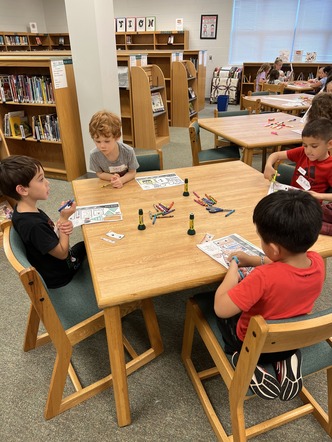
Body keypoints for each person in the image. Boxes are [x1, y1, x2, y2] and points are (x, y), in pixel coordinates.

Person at [214, 190, 324, 401]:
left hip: (254, 343)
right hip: (291, 337)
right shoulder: (317, 261)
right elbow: (284, 265)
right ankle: (287, 358)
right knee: (281, 322)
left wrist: (234, 268)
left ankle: (245, 361)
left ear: (273, 248)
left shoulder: (264, 278)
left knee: (217, 306)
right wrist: (255, 259)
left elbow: (222, 308)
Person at [0, 155, 86, 289]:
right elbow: (62, 254)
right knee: (93, 249)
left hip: (53, 266)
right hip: (61, 275)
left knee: (84, 245)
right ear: (22, 190)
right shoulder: (34, 225)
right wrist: (63, 220)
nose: (48, 182)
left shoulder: (22, 210)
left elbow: (46, 236)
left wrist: (58, 226)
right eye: (41, 179)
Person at [264, 118, 332, 202]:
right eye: (305, 145)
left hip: (309, 207)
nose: (308, 151)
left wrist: (319, 196)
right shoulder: (302, 152)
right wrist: (268, 165)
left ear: (329, 144)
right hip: (292, 199)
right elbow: (276, 155)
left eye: (314, 146)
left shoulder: (330, 166)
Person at [89, 110, 139, 188]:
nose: (102, 146)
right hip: (109, 186)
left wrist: (121, 180)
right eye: (98, 141)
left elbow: (132, 172)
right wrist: (112, 178)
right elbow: (99, 173)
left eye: (107, 141)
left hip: (128, 184)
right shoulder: (94, 155)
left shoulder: (128, 151)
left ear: (117, 137)